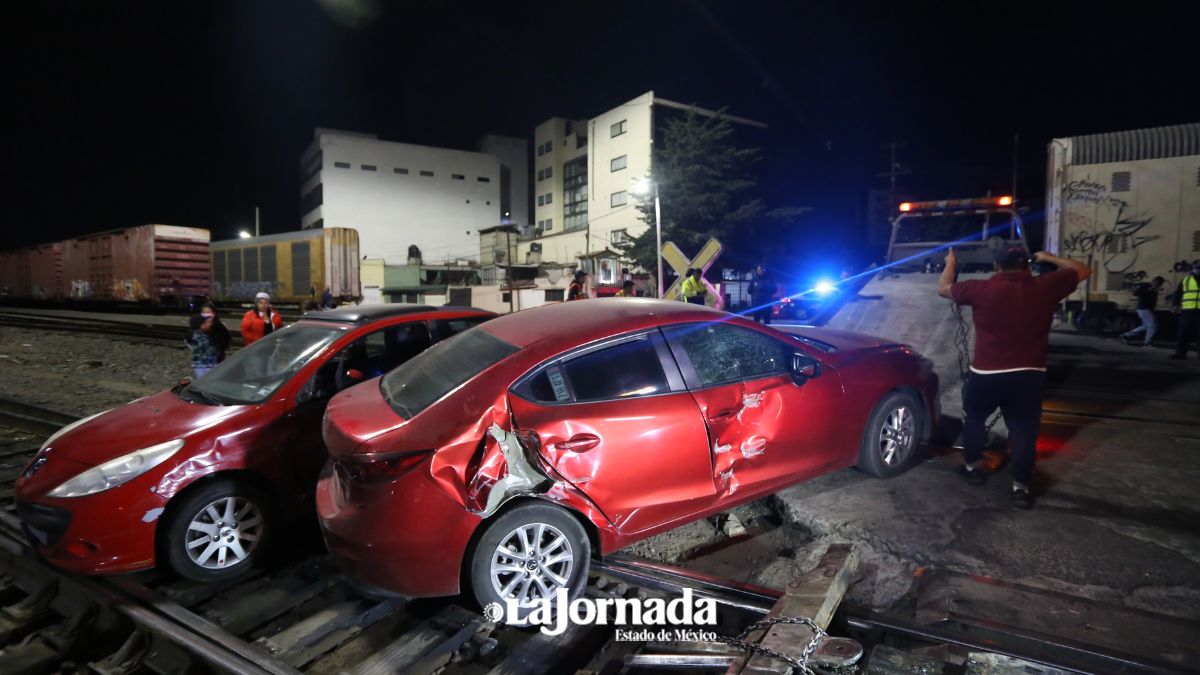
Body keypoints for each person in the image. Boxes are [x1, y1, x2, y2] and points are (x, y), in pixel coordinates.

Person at [938, 246, 1090, 508]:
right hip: (1028, 375)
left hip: (986, 373)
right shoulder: (1045, 286)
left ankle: (974, 469)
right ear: (1027, 266)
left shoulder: (979, 289)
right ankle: (1020, 487)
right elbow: (1083, 270)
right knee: (1023, 430)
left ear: (997, 267)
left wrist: (951, 262)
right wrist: (1050, 258)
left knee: (974, 418)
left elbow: (944, 287)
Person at [1122, 277, 1164, 347]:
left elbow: (1153, 301)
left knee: (1146, 326)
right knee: (1152, 324)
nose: (1158, 286)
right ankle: (1148, 343)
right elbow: (1136, 293)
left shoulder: (1155, 290)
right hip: (1143, 308)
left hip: (1147, 309)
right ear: (1154, 282)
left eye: (1159, 285)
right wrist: (1149, 289)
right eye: (1158, 284)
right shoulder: (1145, 285)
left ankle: (1126, 335)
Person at [1171, 262, 1200, 360]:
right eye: (1197, 268)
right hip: (1188, 310)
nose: (1198, 270)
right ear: (1192, 269)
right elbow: (1178, 293)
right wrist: (1175, 305)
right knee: (1183, 332)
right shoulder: (1186, 280)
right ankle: (1180, 353)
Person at [185, 314, 218, 379]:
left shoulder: (194, 335)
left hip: (198, 365)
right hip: (205, 365)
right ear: (201, 326)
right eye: (206, 323)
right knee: (207, 382)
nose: (209, 324)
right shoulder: (201, 338)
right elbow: (211, 351)